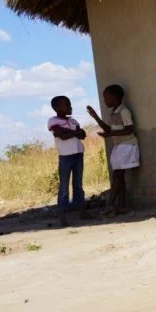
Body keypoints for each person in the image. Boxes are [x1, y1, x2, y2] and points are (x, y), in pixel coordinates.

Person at [86, 84, 139, 215]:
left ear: (114, 97)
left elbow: (129, 129)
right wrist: (96, 117)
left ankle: (110, 205)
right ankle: (121, 206)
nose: (104, 100)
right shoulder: (114, 112)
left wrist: (110, 134)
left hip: (126, 145)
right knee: (119, 177)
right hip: (119, 146)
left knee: (117, 175)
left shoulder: (124, 111)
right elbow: (109, 129)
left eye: (106, 97)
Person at [47, 95, 87, 227]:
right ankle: (62, 216)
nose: (70, 107)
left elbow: (83, 134)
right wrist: (75, 133)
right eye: (67, 105)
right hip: (65, 157)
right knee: (64, 187)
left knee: (78, 185)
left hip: (78, 155)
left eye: (70, 104)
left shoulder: (73, 121)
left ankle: (81, 211)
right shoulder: (53, 121)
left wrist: (69, 132)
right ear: (57, 107)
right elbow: (61, 135)